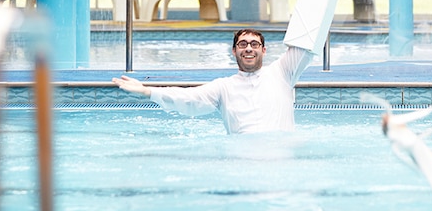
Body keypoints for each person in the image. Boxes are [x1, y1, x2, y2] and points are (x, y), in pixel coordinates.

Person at [113, 28, 312, 134]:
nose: (249, 48)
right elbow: (188, 98)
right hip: (243, 158)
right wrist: (148, 91)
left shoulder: (282, 73)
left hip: (281, 158)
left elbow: (307, 41)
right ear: (234, 51)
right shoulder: (224, 87)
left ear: (264, 50)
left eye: (254, 44)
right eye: (242, 44)